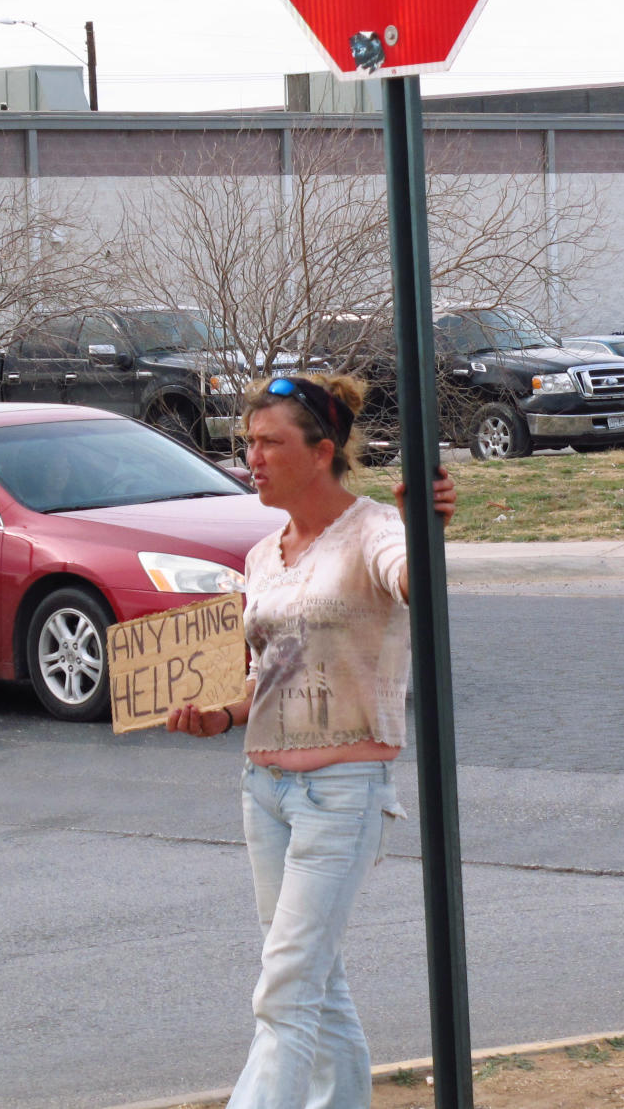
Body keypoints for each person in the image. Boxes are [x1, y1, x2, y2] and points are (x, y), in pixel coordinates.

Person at [167, 372, 456, 1109]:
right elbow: (268, 672)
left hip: (341, 792)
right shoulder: (265, 555)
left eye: (269, 442)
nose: (251, 457)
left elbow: (414, 584)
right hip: (263, 789)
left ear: (322, 450)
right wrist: (219, 714)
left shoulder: (374, 533)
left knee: (285, 990)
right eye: (247, 442)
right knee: (312, 980)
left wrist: (428, 527)